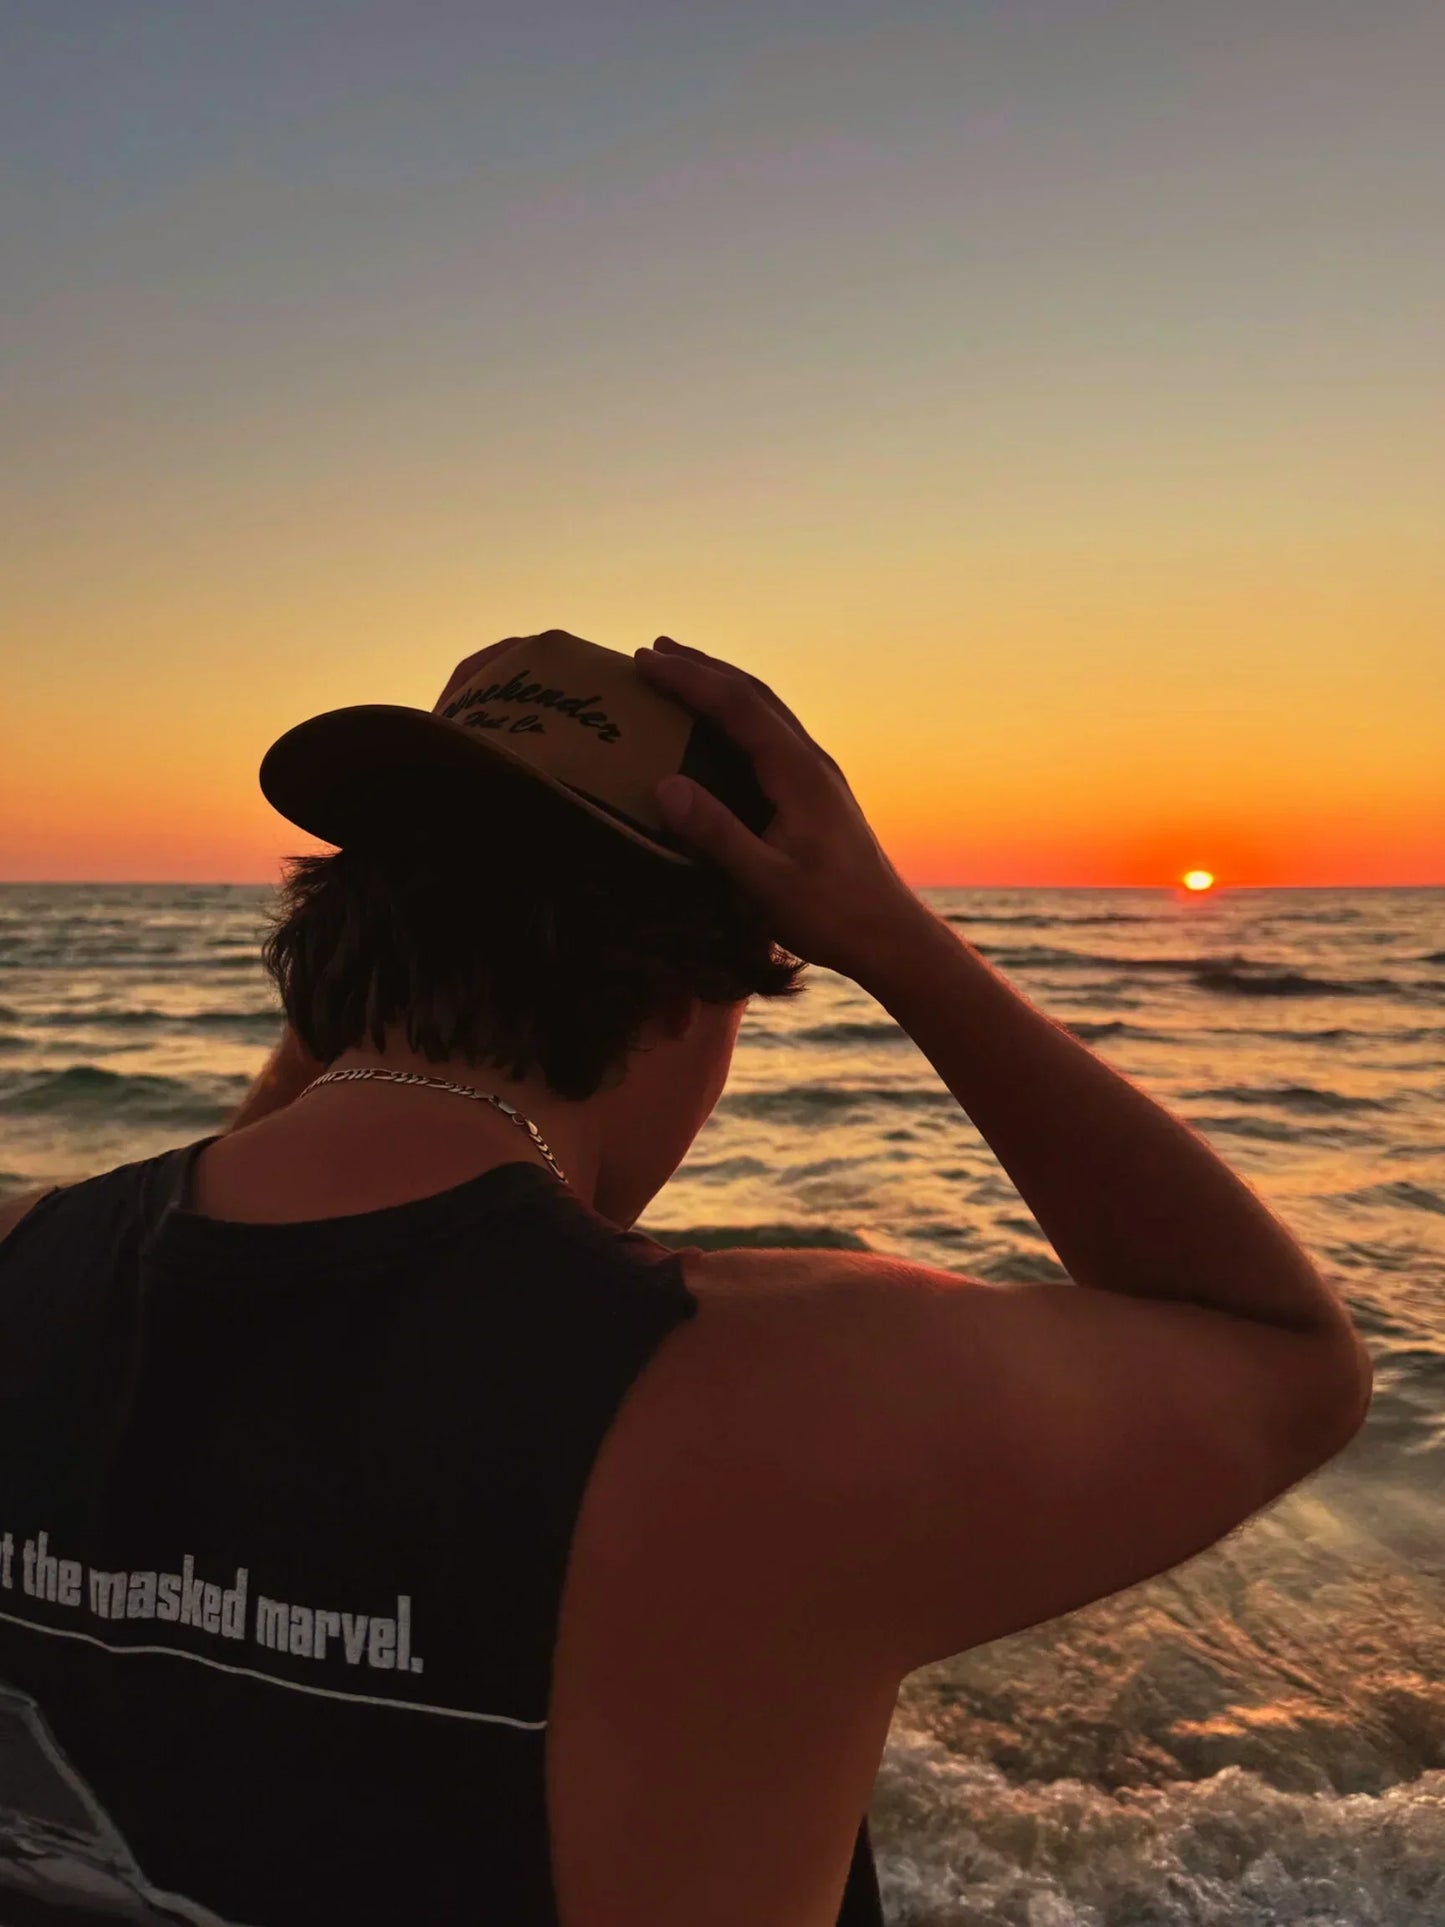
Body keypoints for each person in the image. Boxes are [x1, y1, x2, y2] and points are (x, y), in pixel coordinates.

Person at [0, 629, 1372, 1927]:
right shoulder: (764, 1392)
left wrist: (374, 988)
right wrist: (897, 940)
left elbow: (260, 1298)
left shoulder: (31, 1263)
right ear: (685, 997)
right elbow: (1280, 1357)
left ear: (339, 944)